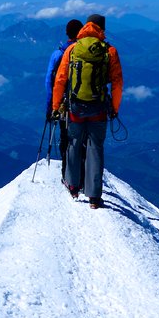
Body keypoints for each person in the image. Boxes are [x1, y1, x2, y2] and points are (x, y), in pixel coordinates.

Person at [50, 13, 123, 209]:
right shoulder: (110, 51)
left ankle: (73, 186)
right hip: (98, 108)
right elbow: (117, 83)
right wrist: (114, 109)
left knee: (74, 144)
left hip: (75, 108)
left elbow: (60, 80)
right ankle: (94, 197)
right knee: (95, 148)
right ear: (102, 29)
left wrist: (56, 107)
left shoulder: (73, 49)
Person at [44, 19, 83, 179]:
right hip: (86, 104)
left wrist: (50, 107)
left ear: (67, 33)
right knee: (83, 138)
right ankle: (84, 175)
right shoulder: (86, 53)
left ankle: (67, 174)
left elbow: (49, 82)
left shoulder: (58, 54)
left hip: (63, 105)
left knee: (66, 136)